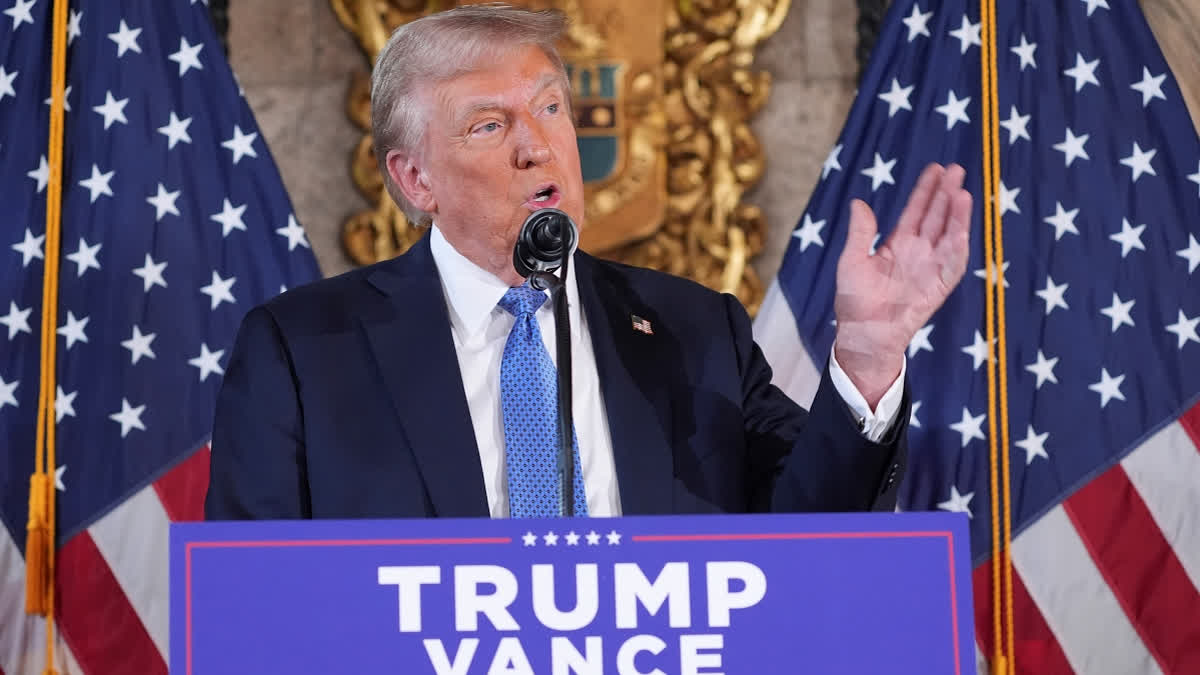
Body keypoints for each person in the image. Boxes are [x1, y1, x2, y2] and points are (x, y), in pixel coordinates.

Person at [204, 4, 971, 521]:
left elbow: (813, 533)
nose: (536, 143)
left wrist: (867, 361)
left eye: (549, 107)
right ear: (414, 179)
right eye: (487, 123)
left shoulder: (695, 330)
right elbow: (259, 604)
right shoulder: (303, 352)